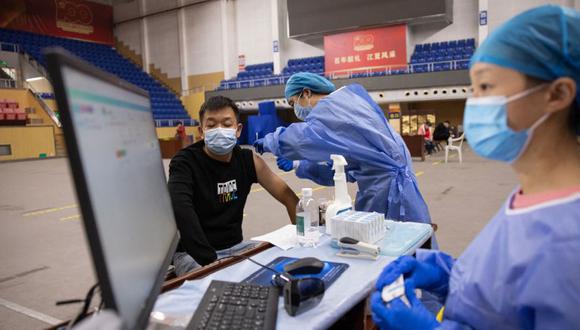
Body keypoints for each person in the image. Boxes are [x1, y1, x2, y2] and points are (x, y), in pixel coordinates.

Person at [371, 5, 580, 329]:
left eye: (485, 87)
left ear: (558, 94)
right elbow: (508, 289)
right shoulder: (535, 193)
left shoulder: (570, 242)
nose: (474, 102)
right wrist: (448, 275)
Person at [253, 72, 432, 234]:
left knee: (390, 245)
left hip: (386, 190)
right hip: (394, 181)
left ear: (306, 93)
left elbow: (302, 139)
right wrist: (299, 164)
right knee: (412, 242)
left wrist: (271, 141)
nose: (295, 110)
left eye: (293, 102)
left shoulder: (330, 110)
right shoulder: (351, 100)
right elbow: (343, 167)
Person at [168, 96, 299, 276]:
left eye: (227, 124)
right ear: (201, 131)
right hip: (194, 254)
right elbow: (180, 209)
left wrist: (302, 238)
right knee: (214, 285)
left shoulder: (249, 160)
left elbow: (288, 196)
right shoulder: (185, 162)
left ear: (238, 130)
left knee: (281, 267)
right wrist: (211, 262)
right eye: (211, 125)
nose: (219, 130)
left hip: (236, 247)